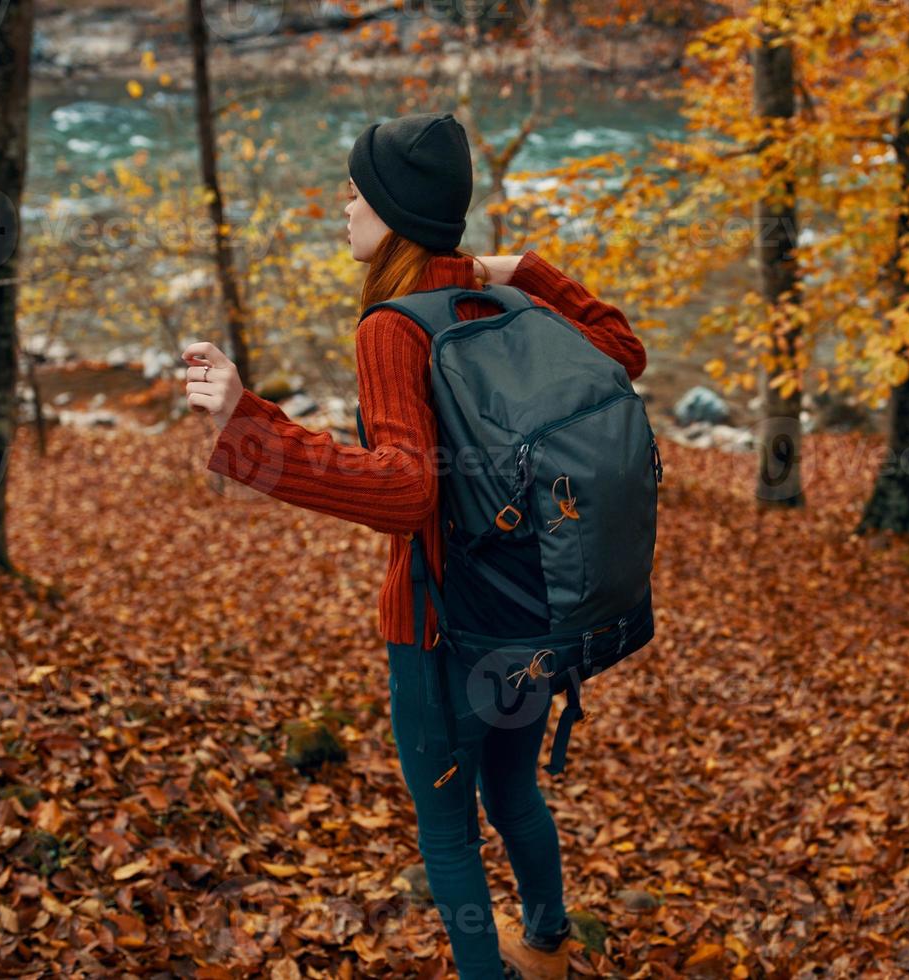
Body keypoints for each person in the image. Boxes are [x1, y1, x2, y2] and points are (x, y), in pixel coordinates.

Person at [181, 111, 646, 979]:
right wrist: (527, 270)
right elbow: (623, 350)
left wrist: (248, 426)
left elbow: (404, 490)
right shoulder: (503, 302)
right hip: (525, 611)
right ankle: (548, 938)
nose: (343, 204)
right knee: (513, 789)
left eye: (356, 191)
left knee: (447, 830)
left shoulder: (393, 327)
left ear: (394, 209)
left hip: (438, 628)